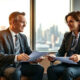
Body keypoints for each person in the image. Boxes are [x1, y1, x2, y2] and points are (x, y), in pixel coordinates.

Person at [0, 11, 44, 80]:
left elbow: (29, 52)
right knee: (16, 72)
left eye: (25, 23)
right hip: (6, 66)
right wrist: (17, 57)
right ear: (13, 23)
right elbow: (0, 55)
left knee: (39, 69)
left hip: (21, 65)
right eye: (22, 22)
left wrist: (35, 58)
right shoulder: (2, 35)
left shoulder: (23, 37)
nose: (25, 25)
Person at [47, 11, 80, 80]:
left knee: (68, 71)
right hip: (67, 64)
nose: (68, 24)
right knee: (51, 69)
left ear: (79, 22)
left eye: (71, 21)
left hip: (78, 66)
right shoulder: (67, 35)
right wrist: (54, 56)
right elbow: (61, 51)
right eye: (67, 22)